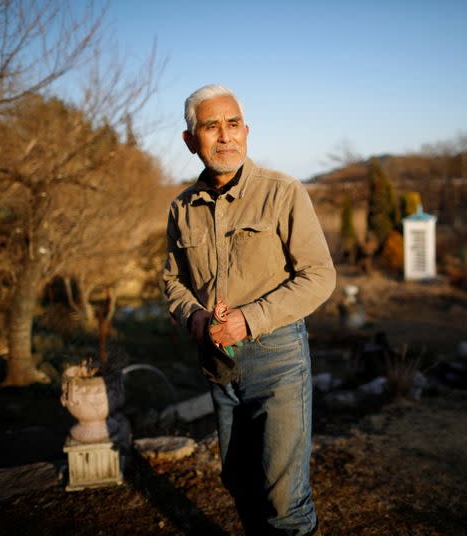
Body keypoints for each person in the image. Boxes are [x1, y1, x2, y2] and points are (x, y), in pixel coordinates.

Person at [162, 84, 335, 535]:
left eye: (233, 124)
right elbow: (172, 281)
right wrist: (195, 317)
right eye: (211, 126)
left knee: (285, 501)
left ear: (247, 131)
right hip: (218, 361)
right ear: (189, 140)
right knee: (239, 482)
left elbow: (320, 275)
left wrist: (249, 318)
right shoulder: (182, 208)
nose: (225, 136)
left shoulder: (283, 192)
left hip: (277, 356)